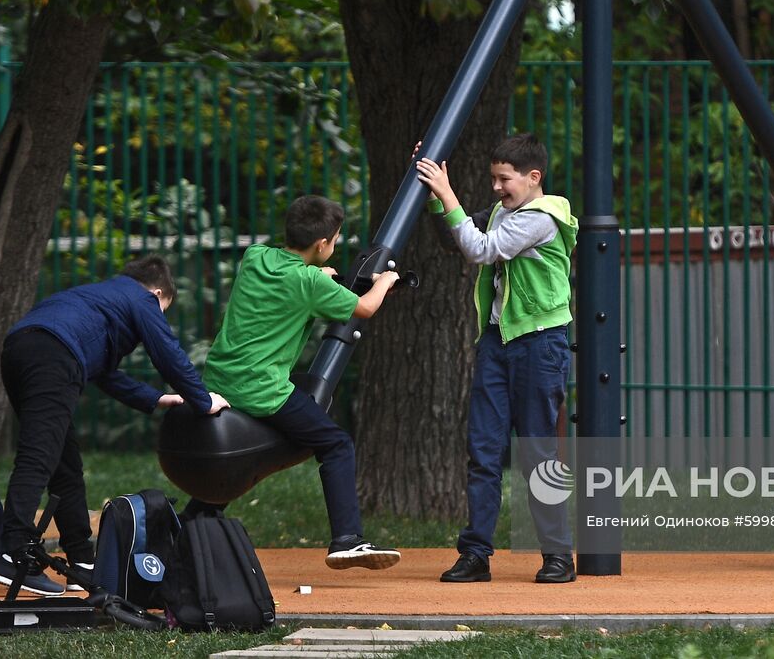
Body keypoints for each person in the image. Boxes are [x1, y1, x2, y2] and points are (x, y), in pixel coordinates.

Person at [0, 255, 230, 595]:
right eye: (164, 308)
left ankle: (82, 561)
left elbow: (103, 372)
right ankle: (11, 552)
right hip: (53, 357)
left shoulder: (99, 297)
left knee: (65, 463)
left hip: (20, 350)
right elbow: (167, 352)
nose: (159, 315)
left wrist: (154, 398)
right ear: (159, 292)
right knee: (39, 456)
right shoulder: (142, 298)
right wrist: (203, 400)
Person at [199, 194, 402, 571]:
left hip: (221, 380)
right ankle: (347, 539)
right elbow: (366, 308)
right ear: (323, 244)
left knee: (251, 452)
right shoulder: (309, 281)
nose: (335, 245)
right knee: (336, 444)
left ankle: (195, 518)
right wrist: (386, 281)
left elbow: (295, 276)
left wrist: (319, 275)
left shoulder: (255, 258)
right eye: (336, 239)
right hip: (262, 389)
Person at [415, 133, 579, 584]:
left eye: (503, 179)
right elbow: (459, 234)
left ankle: (557, 555)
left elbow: (480, 249)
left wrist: (448, 196)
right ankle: (476, 555)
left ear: (533, 177)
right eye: (492, 178)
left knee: (537, 452)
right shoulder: (507, 212)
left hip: (539, 343)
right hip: (497, 341)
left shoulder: (542, 218)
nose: (495, 187)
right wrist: (436, 195)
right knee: (483, 451)